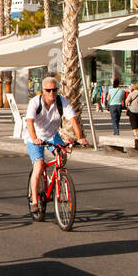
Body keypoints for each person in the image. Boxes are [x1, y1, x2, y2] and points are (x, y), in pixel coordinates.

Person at [25, 75, 87, 215]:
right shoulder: (35, 102)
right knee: (39, 165)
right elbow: (29, 123)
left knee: (63, 156)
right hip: (34, 137)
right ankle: (35, 201)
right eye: (48, 90)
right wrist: (35, 139)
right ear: (43, 91)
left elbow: (73, 120)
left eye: (54, 90)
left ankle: (57, 179)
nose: (52, 93)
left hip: (53, 135)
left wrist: (80, 137)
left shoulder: (61, 101)